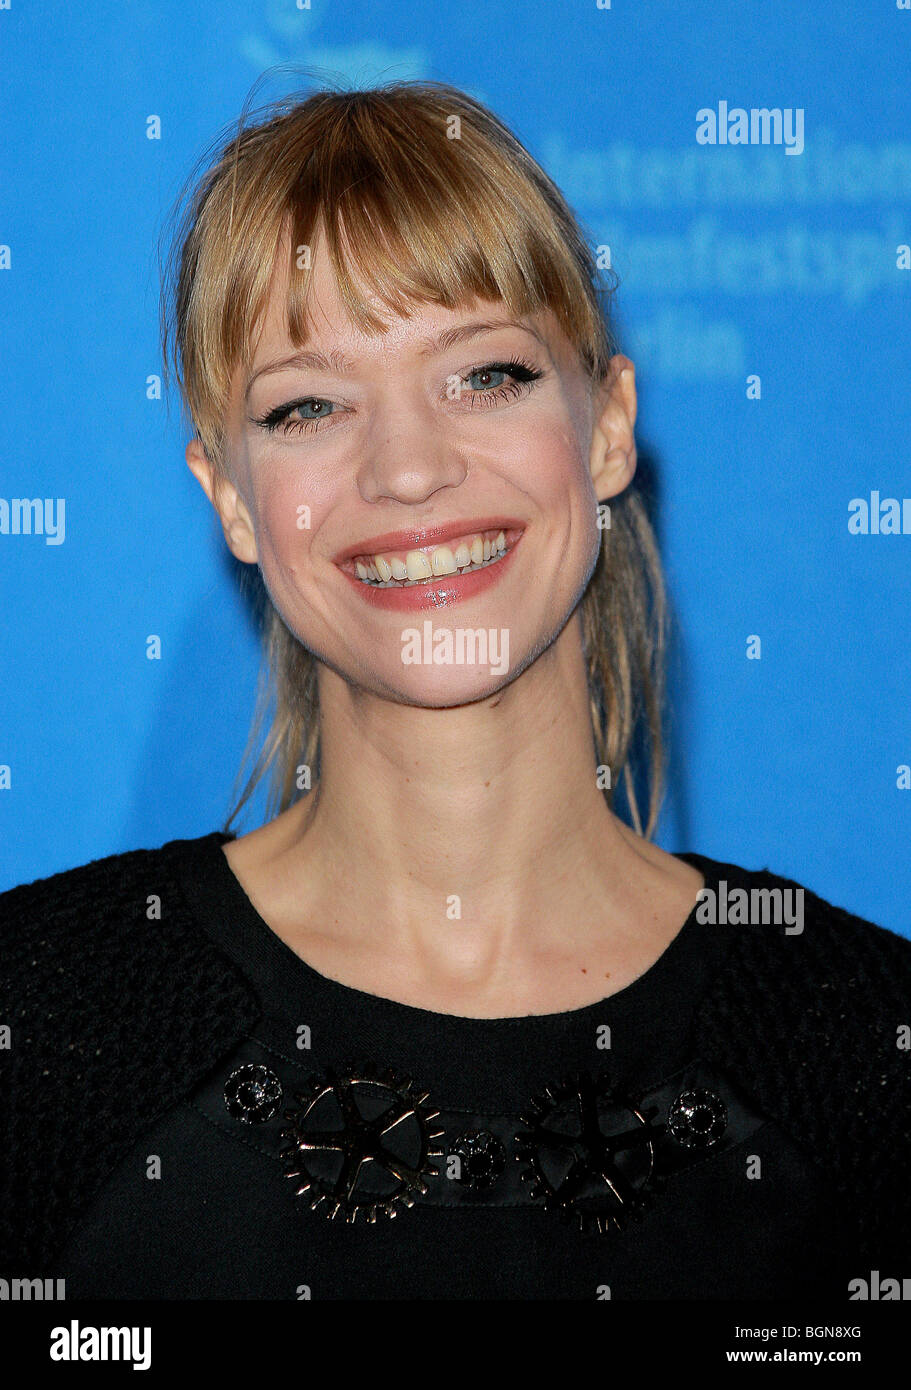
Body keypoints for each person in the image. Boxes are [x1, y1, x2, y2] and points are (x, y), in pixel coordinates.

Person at [1, 79, 908, 1301]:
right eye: (308, 404)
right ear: (229, 496)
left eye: (483, 375)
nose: (411, 468)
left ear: (606, 428)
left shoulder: (858, 1044)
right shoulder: (44, 1024)